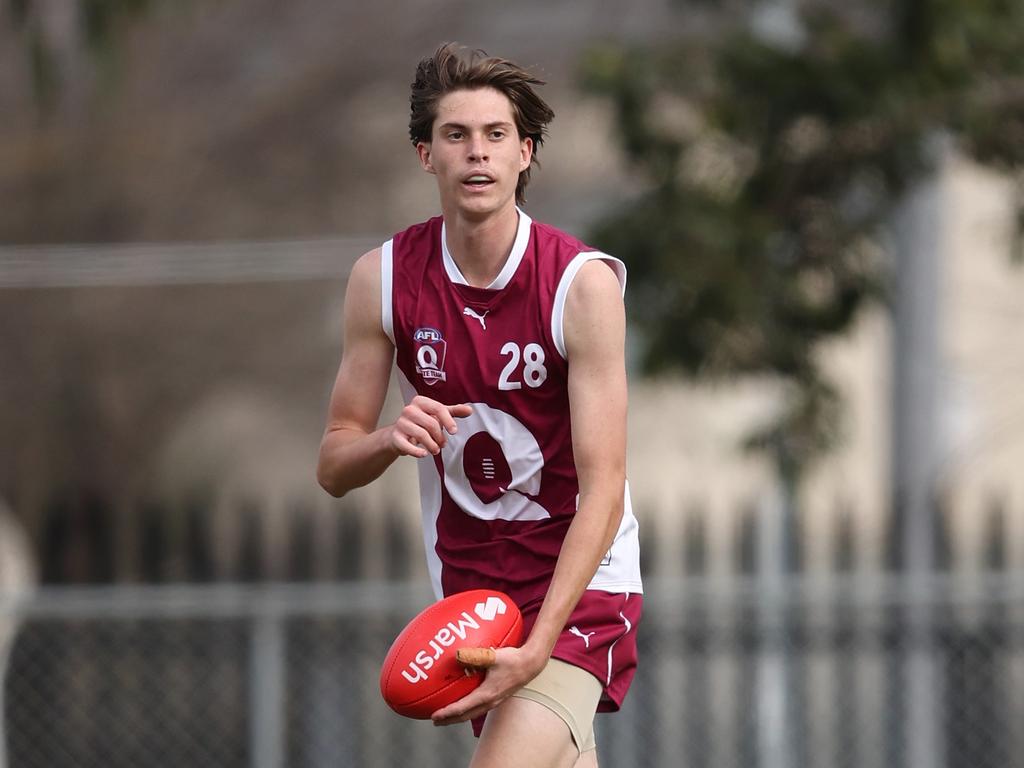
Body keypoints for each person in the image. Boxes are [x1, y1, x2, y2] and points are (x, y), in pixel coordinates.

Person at [317, 42, 642, 768]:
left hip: (581, 588)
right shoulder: (384, 280)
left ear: (525, 154)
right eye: (456, 135)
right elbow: (334, 464)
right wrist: (387, 437)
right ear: (424, 155)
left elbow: (605, 486)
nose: (478, 154)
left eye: (497, 136)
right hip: (476, 601)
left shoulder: (580, 285)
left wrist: (540, 644)